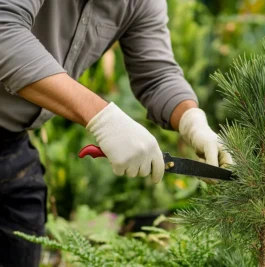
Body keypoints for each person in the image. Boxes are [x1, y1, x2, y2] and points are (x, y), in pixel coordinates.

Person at [0, 1, 233, 266]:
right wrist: (102, 118)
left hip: (12, 147)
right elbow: (4, 31)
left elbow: (157, 75)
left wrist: (192, 121)